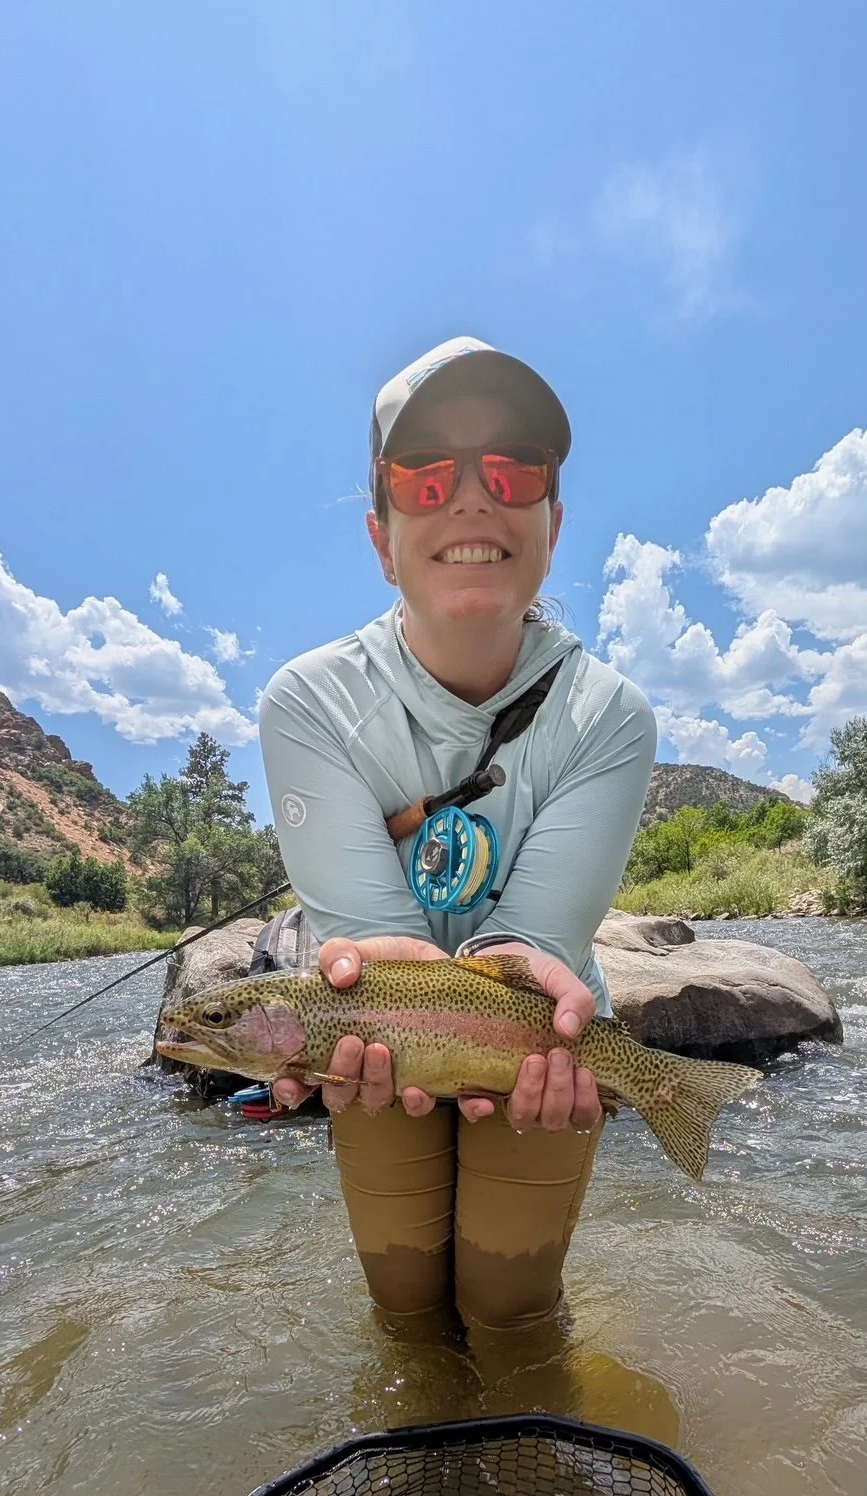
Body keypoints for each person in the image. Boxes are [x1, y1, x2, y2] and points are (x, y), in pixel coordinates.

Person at [258, 336, 656, 1331]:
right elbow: (369, 946)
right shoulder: (309, 702)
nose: (474, 499)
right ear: (382, 535)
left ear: (552, 523)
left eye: (513, 469)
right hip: (372, 1049)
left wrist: (531, 989)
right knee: (406, 1317)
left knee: (511, 1313)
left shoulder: (610, 716)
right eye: (426, 476)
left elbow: (530, 941)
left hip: (543, 1043)